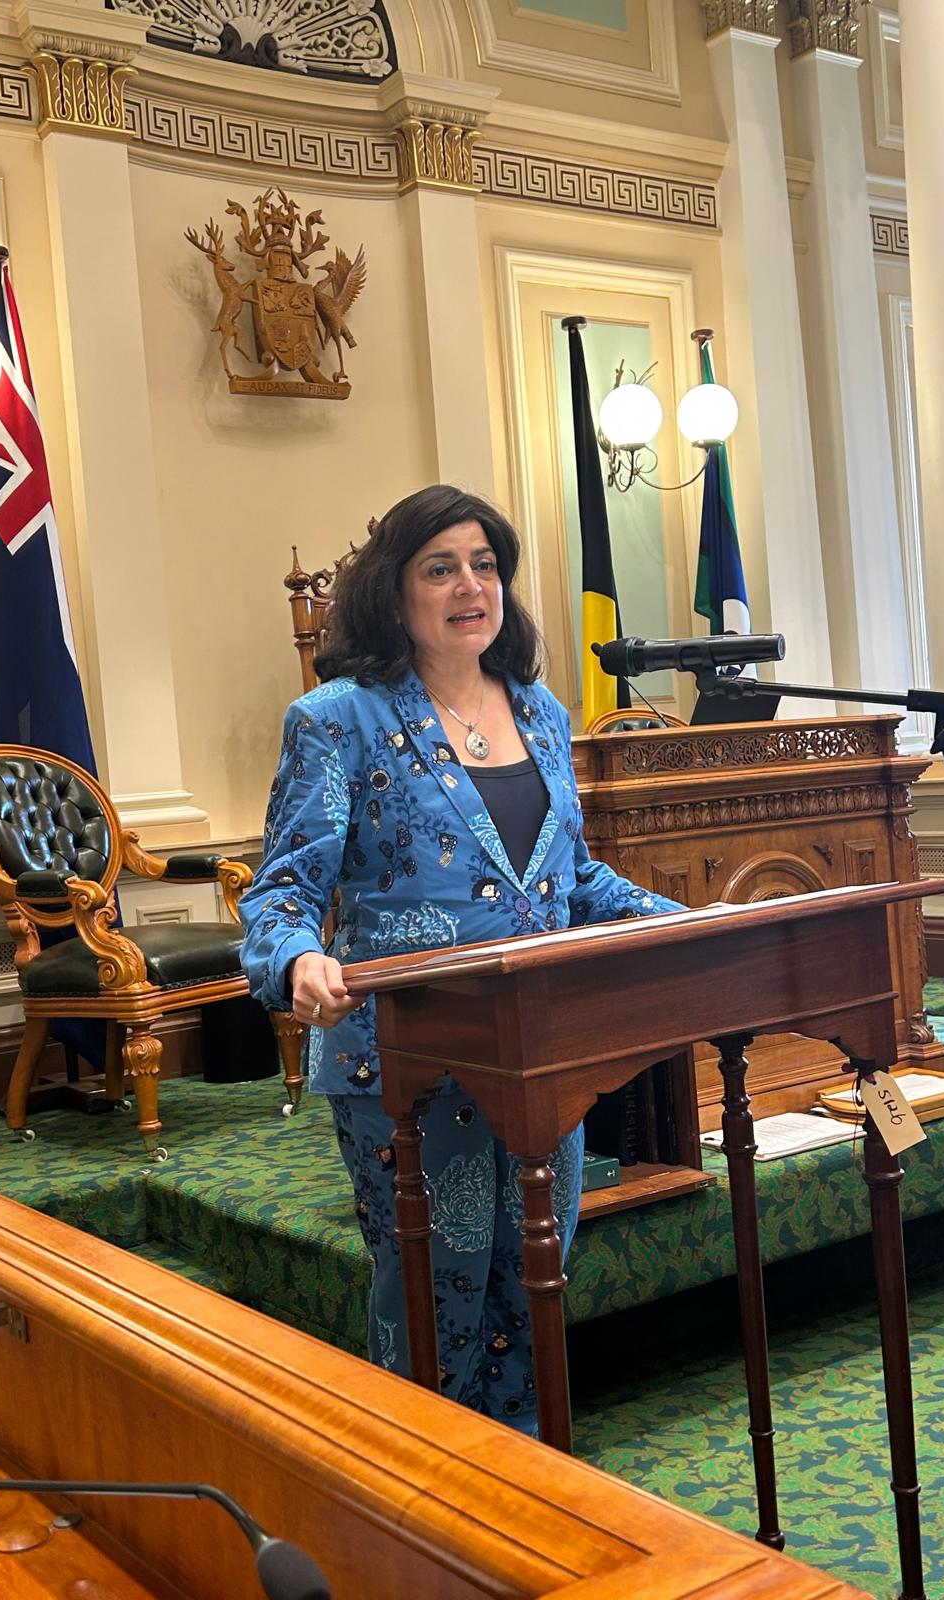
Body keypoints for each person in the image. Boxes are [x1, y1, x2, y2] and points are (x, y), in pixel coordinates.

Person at [240, 484, 683, 1433]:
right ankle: (427, 1504)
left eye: (485, 565)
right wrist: (298, 960)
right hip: (406, 1057)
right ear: (393, 593)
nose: (469, 586)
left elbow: (570, 881)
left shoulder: (542, 713)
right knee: (437, 1294)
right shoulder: (337, 719)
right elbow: (282, 889)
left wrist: (689, 923)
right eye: (440, 568)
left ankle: (529, 1484)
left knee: (535, 1281)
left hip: (537, 1050)